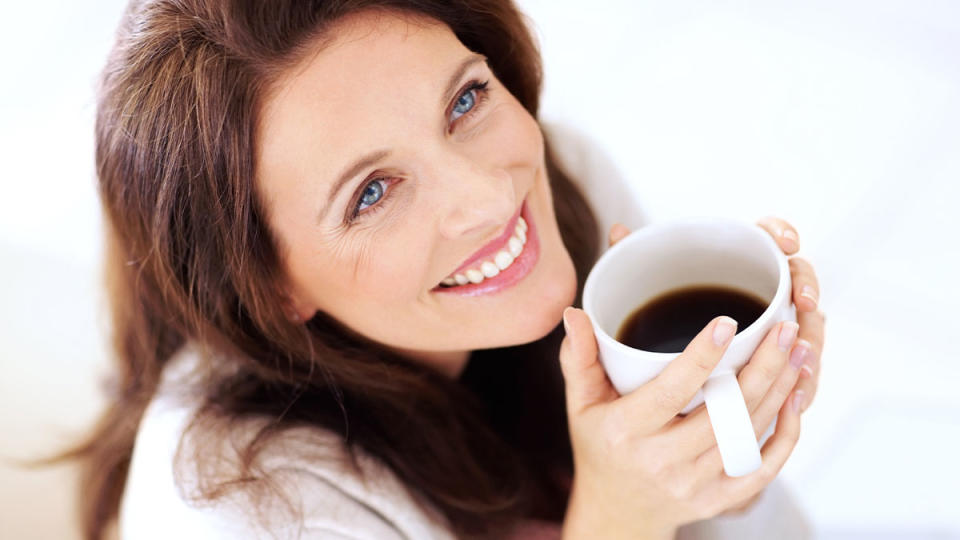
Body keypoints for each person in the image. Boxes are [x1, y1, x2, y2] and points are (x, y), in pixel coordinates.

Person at [68, 0, 825, 538]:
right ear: (269, 285)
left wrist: (719, 463)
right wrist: (622, 516)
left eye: (464, 99)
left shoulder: (568, 187)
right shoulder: (244, 511)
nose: (493, 196)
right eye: (371, 193)